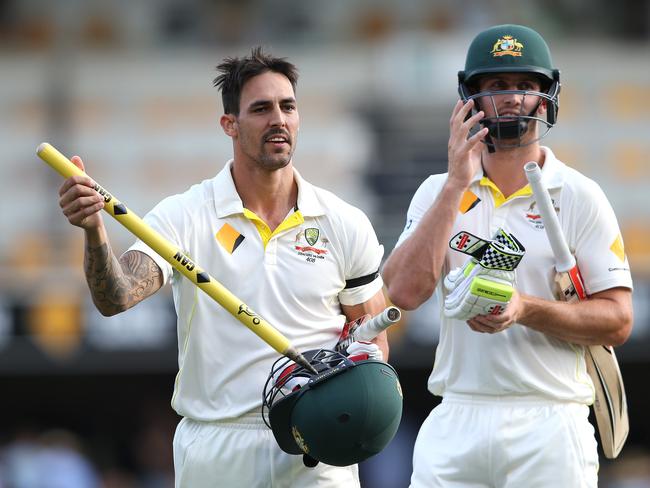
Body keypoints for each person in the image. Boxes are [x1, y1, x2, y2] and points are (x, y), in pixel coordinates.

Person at [56, 46, 388, 487]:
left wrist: (350, 389)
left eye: (288, 107)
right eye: (261, 109)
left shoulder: (344, 222)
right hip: (216, 445)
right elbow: (115, 297)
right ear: (229, 124)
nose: (279, 120)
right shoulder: (183, 215)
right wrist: (94, 230)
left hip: (315, 446)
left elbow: (374, 338)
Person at [382, 24, 634, 488]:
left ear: (545, 97)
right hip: (458, 412)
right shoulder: (437, 191)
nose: (513, 97)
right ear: (472, 100)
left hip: (550, 418)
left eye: (525, 85)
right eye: (496, 86)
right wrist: (456, 183)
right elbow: (403, 292)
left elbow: (617, 321)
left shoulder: (579, 195)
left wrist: (524, 309)